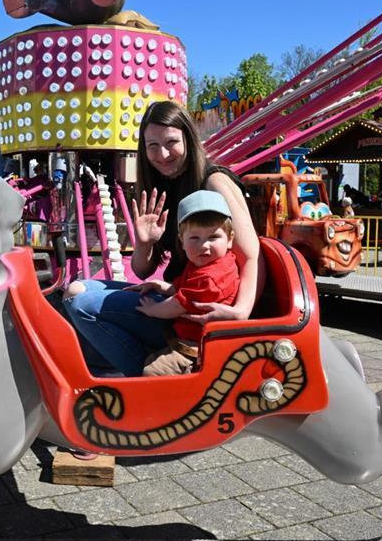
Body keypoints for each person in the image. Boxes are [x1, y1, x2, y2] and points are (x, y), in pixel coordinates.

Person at [63, 101, 261, 377]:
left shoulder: (213, 183)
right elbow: (142, 270)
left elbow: (251, 255)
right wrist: (145, 243)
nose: (163, 154)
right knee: (74, 290)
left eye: (171, 142)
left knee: (82, 306)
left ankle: (147, 382)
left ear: (188, 139)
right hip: (176, 293)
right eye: (153, 146)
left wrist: (241, 313)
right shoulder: (160, 185)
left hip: (195, 314)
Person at [136, 190, 240, 376]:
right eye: (194, 238)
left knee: (152, 372)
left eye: (213, 237)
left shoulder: (210, 277)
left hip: (198, 348)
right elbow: (183, 289)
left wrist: (152, 309)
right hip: (188, 338)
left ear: (230, 239)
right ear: (181, 241)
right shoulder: (205, 264)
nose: (204, 245)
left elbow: (176, 306)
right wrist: (161, 286)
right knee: (150, 359)